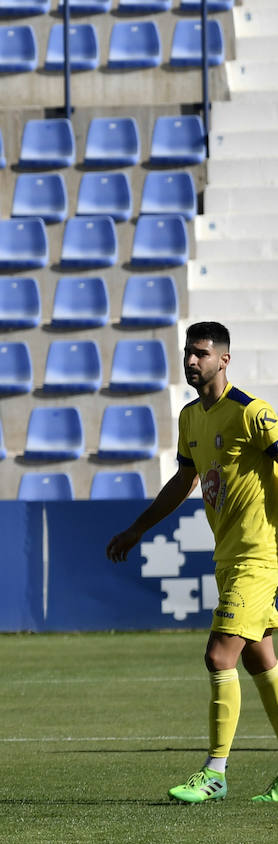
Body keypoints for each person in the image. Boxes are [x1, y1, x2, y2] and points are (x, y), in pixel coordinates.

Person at [107, 321, 278, 804]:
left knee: (219, 653)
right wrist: (138, 528)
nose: (190, 361)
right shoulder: (189, 418)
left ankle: (215, 772)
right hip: (228, 554)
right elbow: (183, 482)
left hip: (259, 555)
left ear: (224, 359)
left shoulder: (252, 413)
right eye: (187, 352)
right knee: (259, 656)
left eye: (200, 353)